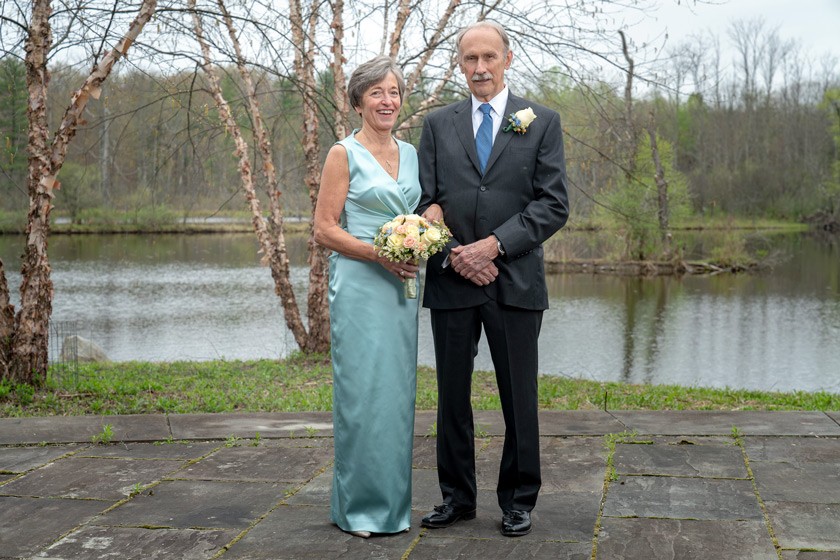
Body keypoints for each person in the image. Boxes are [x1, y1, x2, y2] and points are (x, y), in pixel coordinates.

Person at [416, 21, 569, 537]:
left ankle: (519, 499)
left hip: (516, 280)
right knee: (452, 396)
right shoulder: (438, 125)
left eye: (488, 58)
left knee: (518, 397)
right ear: (459, 64)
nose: (479, 68)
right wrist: (455, 250)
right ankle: (457, 498)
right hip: (452, 278)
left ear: (507, 58)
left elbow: (553, 204)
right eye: (468, 60)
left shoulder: (541, 121)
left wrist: (495, 245)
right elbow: (425, 200)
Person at [313, 56, 421, 539]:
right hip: (360, 284)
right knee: (362, 393)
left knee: (395, 396)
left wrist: (427, 230)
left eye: (394, 92)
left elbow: (426, 205)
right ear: (358, 102)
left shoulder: (413, 153)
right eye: (376, 92)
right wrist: (379, 253)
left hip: (402, 289)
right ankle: (358, 509)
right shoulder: (343, 153)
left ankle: (393, 507)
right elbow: (323, 230)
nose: (388, 101)